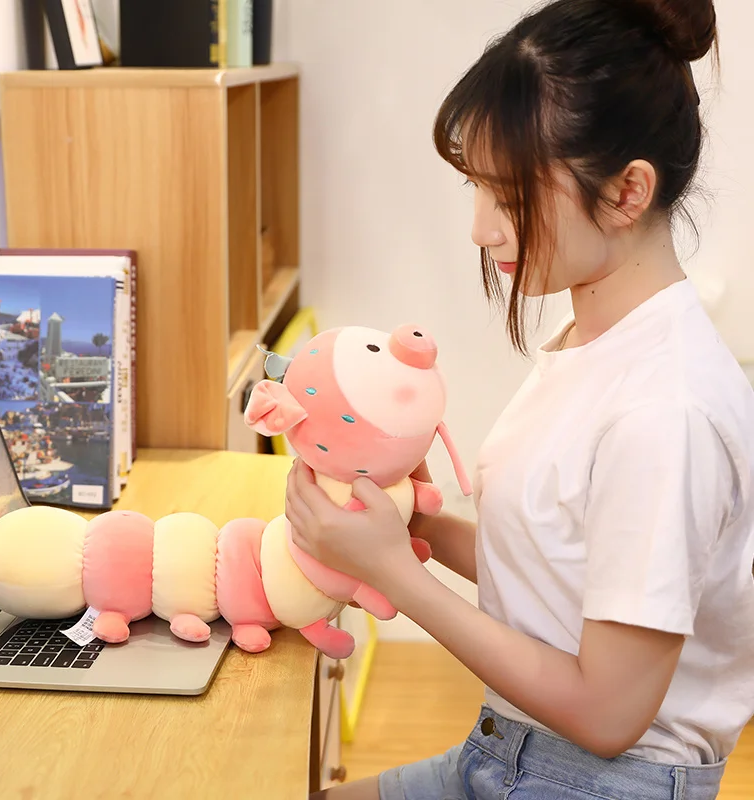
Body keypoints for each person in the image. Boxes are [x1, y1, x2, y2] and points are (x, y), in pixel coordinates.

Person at [286, 0, 754, 798]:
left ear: (628, 191)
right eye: (476, 185)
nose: (481, 228)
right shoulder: (598, 341)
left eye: (507, 195)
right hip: (510, 750)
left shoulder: (665, 411)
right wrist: (411, 526)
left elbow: (608, 713)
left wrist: (396, 575)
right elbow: (559, 572)